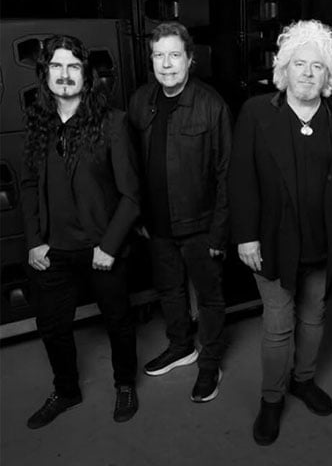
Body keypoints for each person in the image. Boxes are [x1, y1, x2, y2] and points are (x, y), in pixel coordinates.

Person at [229, 20, 332, 446]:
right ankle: (271, 399)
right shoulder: (256, 112)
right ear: (283, 69)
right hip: (270, 241)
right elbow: (240, 177)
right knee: (278, 324)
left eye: (317, 66)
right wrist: (245, 236)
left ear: (329, 76)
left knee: (314, 315)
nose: (307, 73)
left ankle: (303, 380)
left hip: (324, 241)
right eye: (299, 64)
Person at [21, 35, 141, 428]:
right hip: (53, 250)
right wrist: (35, 241)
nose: (64, 74)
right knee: (52, 327)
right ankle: (66, 390)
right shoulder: (38, 122)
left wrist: (109, 246)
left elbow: (131, 196)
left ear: (86, 75)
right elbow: (28, 186)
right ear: (45, 74)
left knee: (118, 321)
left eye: (73, 66)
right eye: (56, 66)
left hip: (101, 248)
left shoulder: (113, 123)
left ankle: (125, 383)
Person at [128, 22, 231, 403]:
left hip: (200, 226)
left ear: (190, 59)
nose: (166, 64)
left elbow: (227, 172)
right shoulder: (141, 101)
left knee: (209, 296)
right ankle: (180, 346)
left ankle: (210, 362)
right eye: (159, 55)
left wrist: (220, 232)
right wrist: (138, 216)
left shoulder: (211, 104)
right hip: (156, 224)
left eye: (174, 55)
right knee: (168, 290)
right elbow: (131, 165)